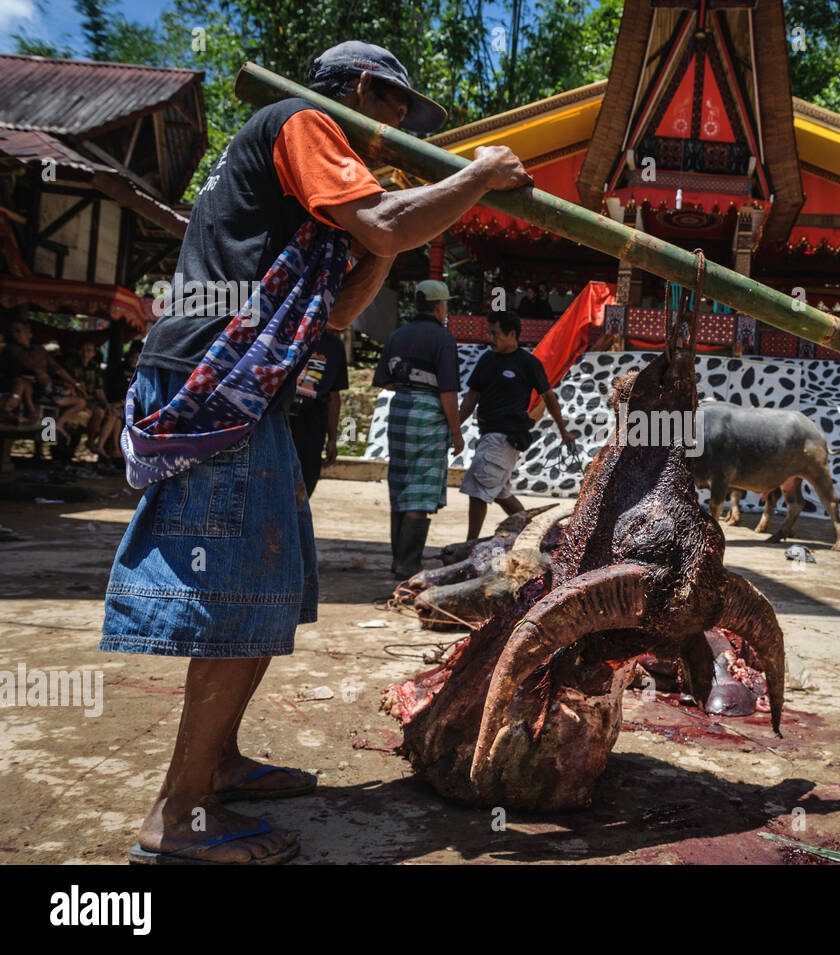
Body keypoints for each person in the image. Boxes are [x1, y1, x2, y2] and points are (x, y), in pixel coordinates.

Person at [99, 40, 531, 865]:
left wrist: (388, 238)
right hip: (216, 375)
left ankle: (216, 764)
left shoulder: (309, 181)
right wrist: (473, 177)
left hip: (244, 388)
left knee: (267, 588)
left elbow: (338, 311)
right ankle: (176, 814)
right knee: (235, 597)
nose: (393, 135)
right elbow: (379, 221)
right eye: (395, 114)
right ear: (366, 91)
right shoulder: (305, 119)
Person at [374, 279, 463, 577]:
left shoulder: (398, 335)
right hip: (428, 413)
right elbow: (448, 392)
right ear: (439, 306)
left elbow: (384, 380)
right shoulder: (443, 339)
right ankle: (408, 563)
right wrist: (456, 432)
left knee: (400, 483)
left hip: (400, 410)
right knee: (420, 488)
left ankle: (398, 559)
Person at [459, 309, 573, 540]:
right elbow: (472, 396)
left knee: (478, 492)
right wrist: (454, 428)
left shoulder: (527, 362)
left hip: (505, 437)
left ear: (512, 334)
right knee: (501, 494)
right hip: (489, 435)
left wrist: (563, 431)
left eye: (495, 334)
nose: (490, 339)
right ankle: (542, 536)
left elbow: (549, 397)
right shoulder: (487, 359)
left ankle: (469, 545)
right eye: (489, 333)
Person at [287, 327, 348, 497]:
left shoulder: (334, 345)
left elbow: (334, 396)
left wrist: (333, 438)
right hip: (283, 416)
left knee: (307, 481)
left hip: (313, 421)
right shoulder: (286, 334)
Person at [65, 339, 119, 470]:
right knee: (99, 412)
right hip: (76, 399)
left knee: (113, 414)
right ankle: (90, 441)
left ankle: (99, 445)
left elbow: (99, 389)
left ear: (94, 353)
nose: (85, 353)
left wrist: (106, 404)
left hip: (91, 400)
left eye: (89, 350)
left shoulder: (95, 367)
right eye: (83, 350)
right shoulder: (71, 365)